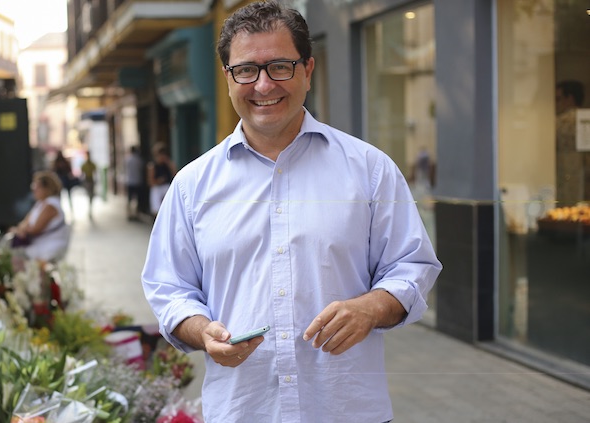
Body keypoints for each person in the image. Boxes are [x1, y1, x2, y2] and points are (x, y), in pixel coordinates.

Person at [141, 2, 442, 422]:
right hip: (242, 411)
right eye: (246, 70)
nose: (263, 85)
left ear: (308, 70)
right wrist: (201, 331)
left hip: (345, 410)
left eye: (280, 66)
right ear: (228, 78)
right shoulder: (192, 187)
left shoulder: (370, 170)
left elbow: (411, 265)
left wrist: (370, 308)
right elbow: (169, 286)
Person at [9, 171, 70, 263]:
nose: (33, 190)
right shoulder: (40, 203)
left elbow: (35, 229)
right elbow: (24, 223)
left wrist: (21, 229)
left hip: (48, 247)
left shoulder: (51, 205)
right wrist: (21, 229)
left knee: (14, 256)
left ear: (46, 188)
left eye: (35, 187)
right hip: (40, 245)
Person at [555, 80, 587, 205]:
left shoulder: (558, 123)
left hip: (563, 174)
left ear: (570, 98)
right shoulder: (586, 119)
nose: (556, 104)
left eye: (558, 99)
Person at [146, 142, 176, 216]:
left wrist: (168, 163)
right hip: (157, 187)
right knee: (156, 208)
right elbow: (150, 181)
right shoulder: (152, 165)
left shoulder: (168, 164)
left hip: (167, 186)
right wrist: (158, 181)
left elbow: (175, 175)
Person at [124, 145, 144, 220]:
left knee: (129, 199)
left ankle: (129, 214)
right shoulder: (139, 160)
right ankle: (136, 214)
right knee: (137, 199)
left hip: (130, 181)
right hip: (137, 181)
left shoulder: (127, 159)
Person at [80, 151, 98, 220]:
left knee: (91, 195)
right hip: (87, 180)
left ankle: (90, 208)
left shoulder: (92, 164)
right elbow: (82, 173)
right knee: (89, 194)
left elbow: (95, 172)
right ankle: (89, 207)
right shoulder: (84, 165)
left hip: (91, 180)